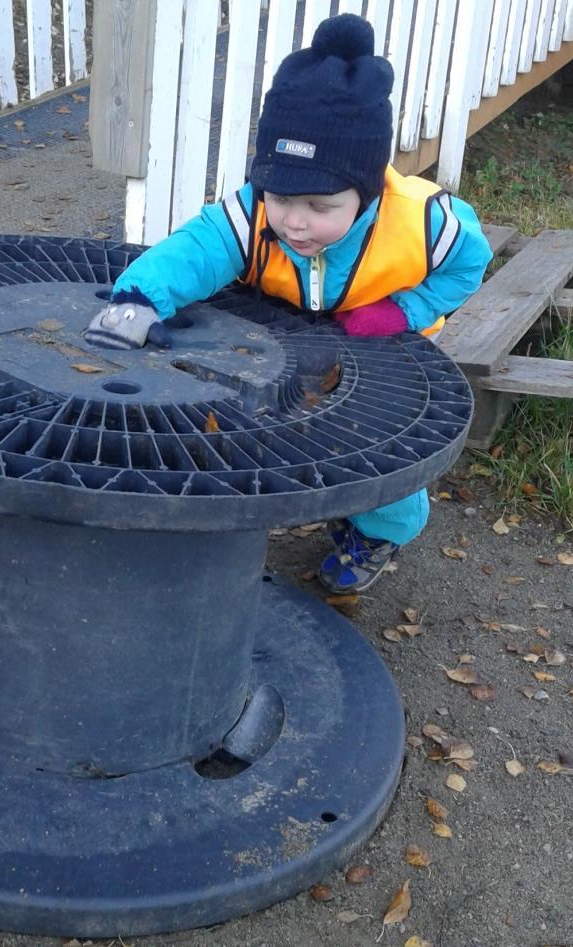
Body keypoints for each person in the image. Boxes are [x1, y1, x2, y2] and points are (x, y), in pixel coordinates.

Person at [85, 13, 492, 594]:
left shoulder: (427, 224)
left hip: (378, 350)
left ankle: (374, 531)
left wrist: (405, 311)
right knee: (235, 421)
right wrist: (139, 299)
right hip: (275, 336)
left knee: (380, 453)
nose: (295, 221)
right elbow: (194, 249)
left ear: (368, 189)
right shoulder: (253, 213)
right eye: (280, 195)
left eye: (320, 206)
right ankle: (216, 514)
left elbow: (468, 267)